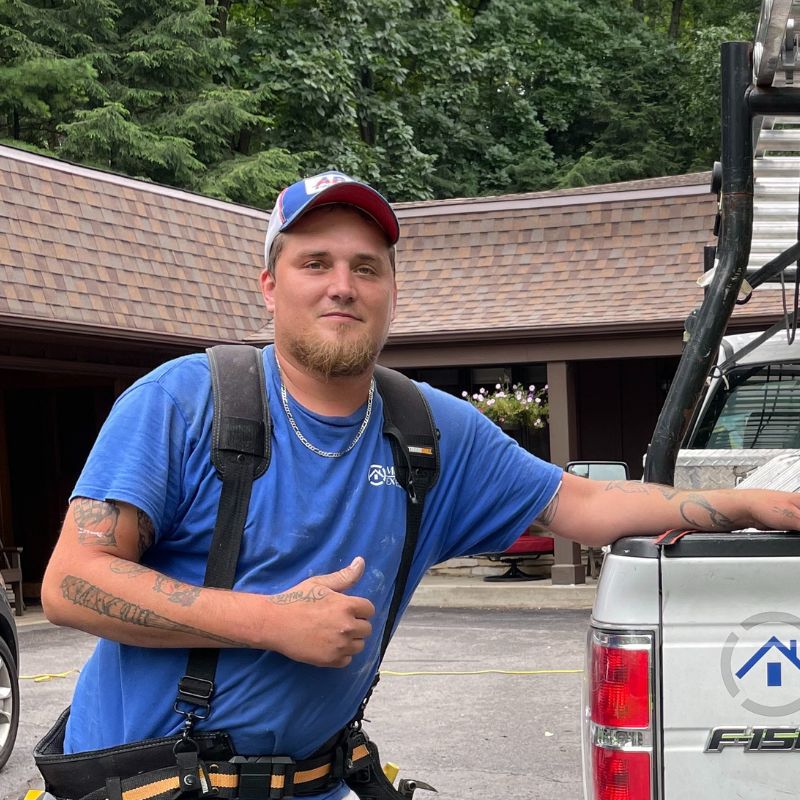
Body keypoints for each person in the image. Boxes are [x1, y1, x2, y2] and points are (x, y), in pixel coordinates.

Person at [41, 170, 800, 800]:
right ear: (270, 286)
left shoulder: (429, 429)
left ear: (392, 292)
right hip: (142, 784)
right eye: (316, 264)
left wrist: (749, 501)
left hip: (317, 783)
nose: (343, 286)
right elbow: (72, 585)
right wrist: (268, 622)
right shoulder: (183, 401)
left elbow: (591, 504)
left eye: (366, 267)